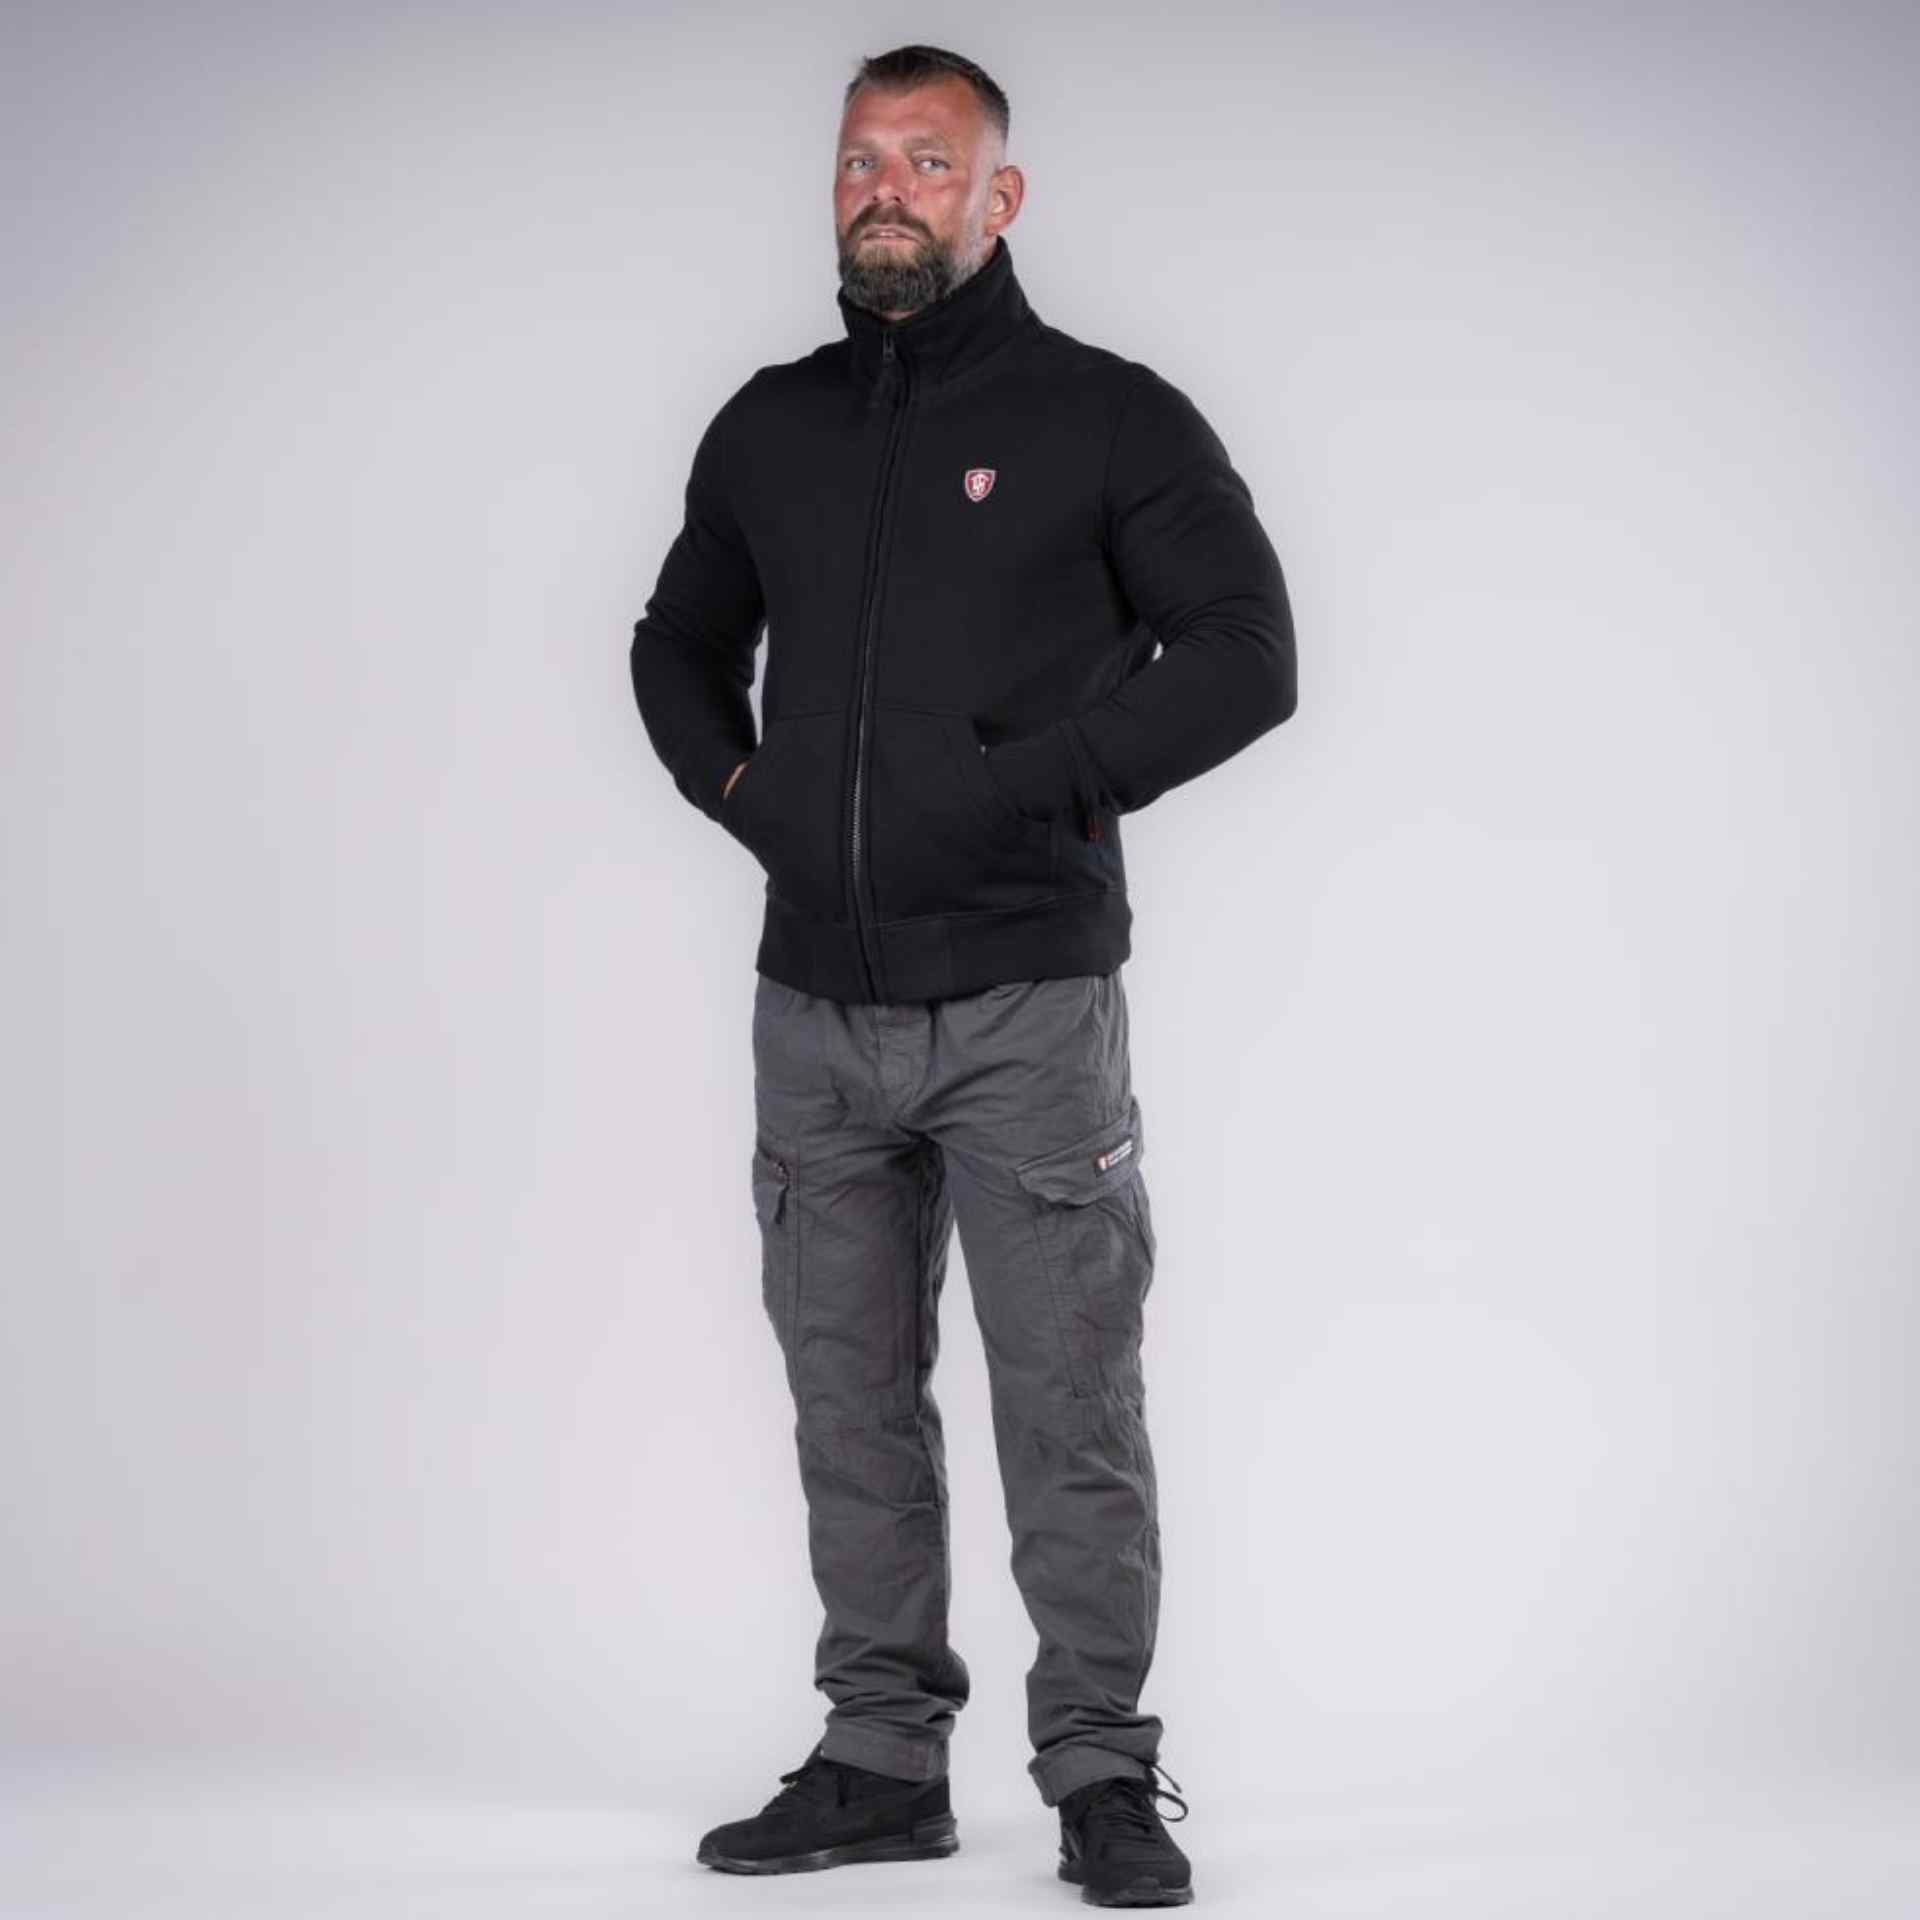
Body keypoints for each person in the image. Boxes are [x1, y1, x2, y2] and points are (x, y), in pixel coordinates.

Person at [628, 42, 1295, 1909]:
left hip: (1026, 1008)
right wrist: (744, 794)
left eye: (929, 161)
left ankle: (1101, 1777)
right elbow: (676, 643)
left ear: (1000, 199)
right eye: (860, 159)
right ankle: (879, 1759)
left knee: (1067, 1407)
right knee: (849, 1406)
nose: (886, 189)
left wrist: (1034, 785)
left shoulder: (1108, 417)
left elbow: (1246, 651)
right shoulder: (770, 426)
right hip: (813, 1012)